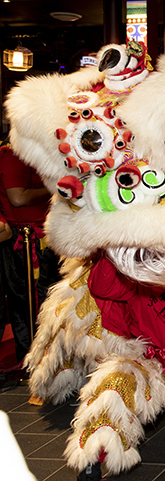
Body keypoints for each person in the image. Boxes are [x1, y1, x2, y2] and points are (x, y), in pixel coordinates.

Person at [0, 144, 59, 365]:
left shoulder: (30, 154)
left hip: (40, 236)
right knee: (30, 302)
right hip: (25, 240)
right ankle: (32, 359)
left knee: (44, 300)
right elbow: (18, 198)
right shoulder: (13, 156)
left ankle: (45, 358)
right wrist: (54, 188)